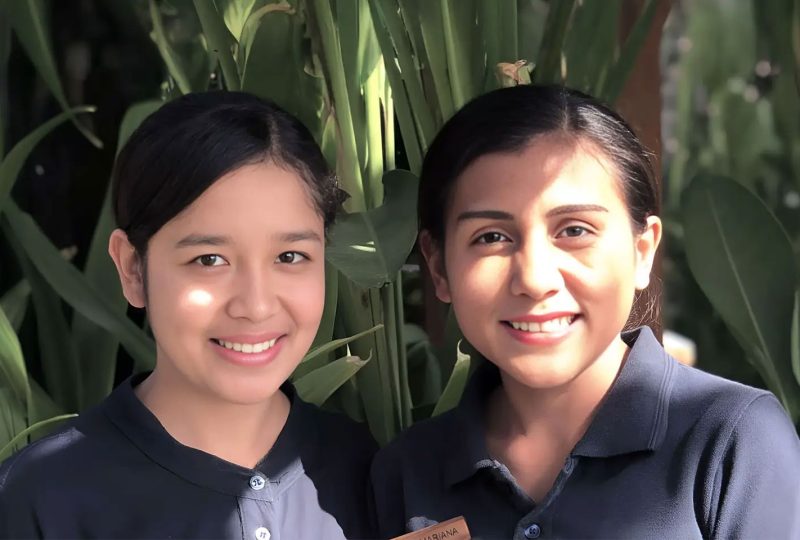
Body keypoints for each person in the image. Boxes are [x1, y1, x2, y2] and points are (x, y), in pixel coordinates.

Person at [370, 85, 800, 539]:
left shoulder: (731, 441)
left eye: (575, 230)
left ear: (642, 251)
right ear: (439, 267)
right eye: (491, 237)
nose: (535, 279)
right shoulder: (406, 473)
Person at [0, 91, 376, 539]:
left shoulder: (371, 473)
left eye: (290, 256)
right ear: (133, 268)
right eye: (209, 260)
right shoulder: (39, 500)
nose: (256, 305)